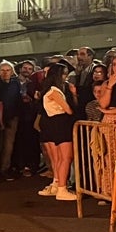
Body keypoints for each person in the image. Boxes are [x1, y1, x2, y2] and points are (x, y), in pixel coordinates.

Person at [38, 63, 77, 201]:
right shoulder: (54, 91)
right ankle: (62, 188)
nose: (66, 77)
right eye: (64, 74)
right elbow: (68, 110)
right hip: (60, 123)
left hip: (54, 123)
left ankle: (58, 185)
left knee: (61, 157)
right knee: (66, 157)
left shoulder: (50, 90)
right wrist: (73, 95)